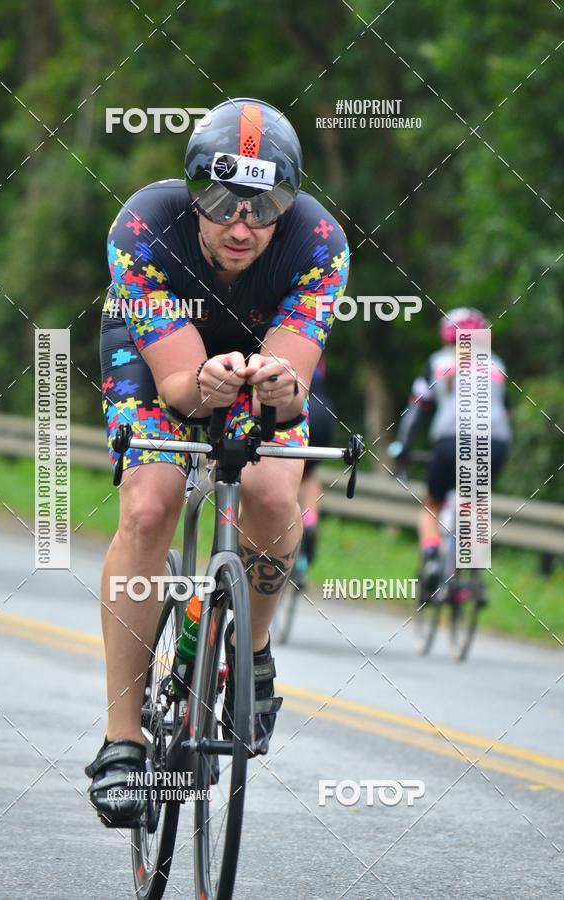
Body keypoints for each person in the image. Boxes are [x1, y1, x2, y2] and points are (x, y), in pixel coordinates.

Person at [86, 98, 350, 827]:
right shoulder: (143, 225)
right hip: (161, 354)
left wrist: (278, 392)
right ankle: (121, 740)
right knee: (149, 502)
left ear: (288, 206)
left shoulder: (320, 242)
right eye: (221, 202)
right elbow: (178, 390)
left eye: (264, 208)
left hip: (264, 359)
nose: (241, 227)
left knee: (271, 495)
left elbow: (288, 396)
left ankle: (252, 656)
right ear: (192, 191)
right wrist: (198, 387)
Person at [389, 308, 511, 598]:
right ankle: (475, 578)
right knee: (476, 503)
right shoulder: (497, 365)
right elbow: (505, 412)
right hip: (495, 444)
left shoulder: (437, 361)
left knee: (432, 503)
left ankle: (431, 559)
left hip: (450, 440)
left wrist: (403, 448)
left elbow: (416, 410)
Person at [298, 357, 335, 567]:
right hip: (325, 414)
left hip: (301, 410)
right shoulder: (311, 335)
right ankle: (310, 522)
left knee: (289, 473)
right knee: (309, 474)